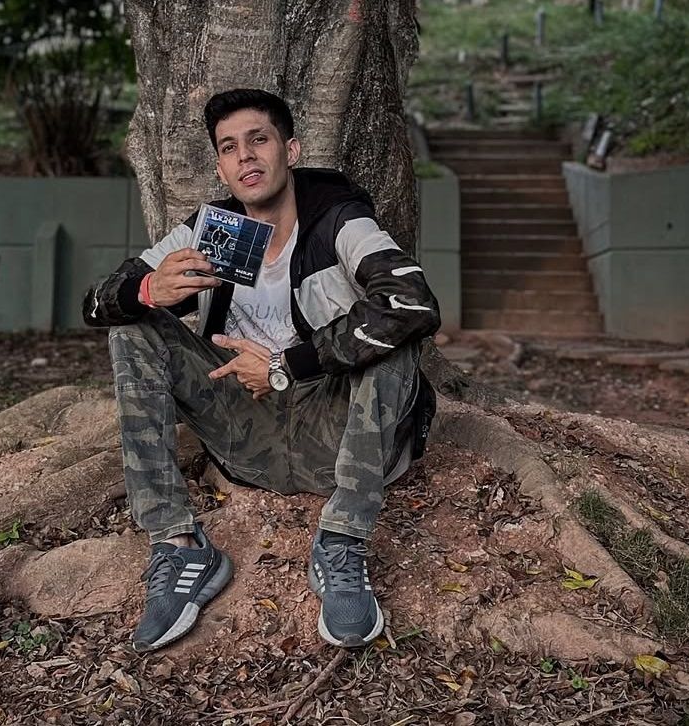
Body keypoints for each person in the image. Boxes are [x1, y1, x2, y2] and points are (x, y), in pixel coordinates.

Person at [83, 88, 440, 653]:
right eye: (229, 147)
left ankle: (342, 544)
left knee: (393, 341)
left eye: (258, 140)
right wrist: (147, 290)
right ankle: (179, 546)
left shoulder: (337, 218)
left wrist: (285, 365)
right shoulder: (213, 231)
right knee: (132, 327)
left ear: (289, 149)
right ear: (220, 167)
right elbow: (95, 305)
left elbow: (412, 303)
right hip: (245, 432)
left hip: (334, 431)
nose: (245, 156)